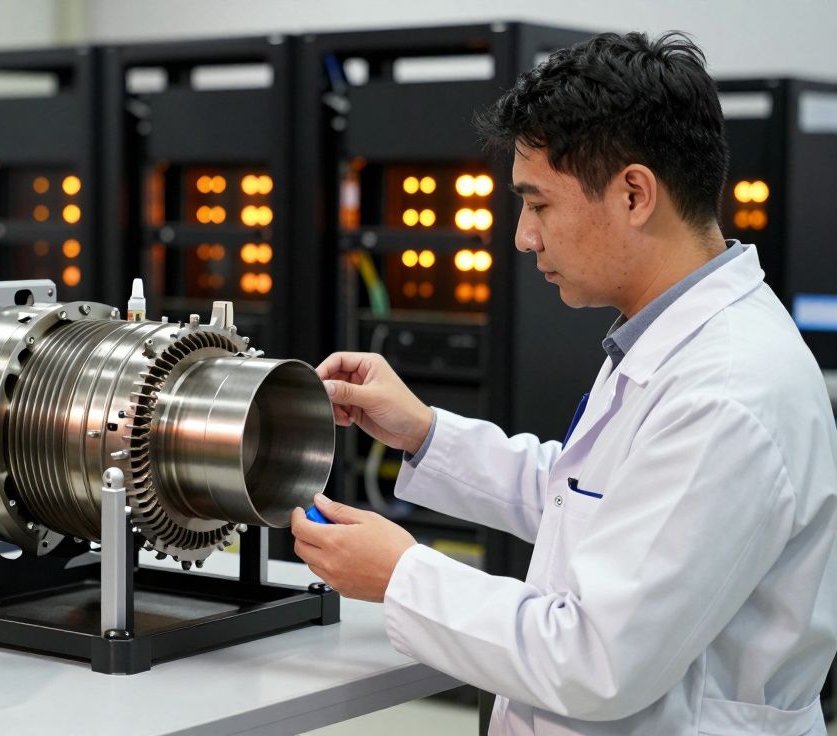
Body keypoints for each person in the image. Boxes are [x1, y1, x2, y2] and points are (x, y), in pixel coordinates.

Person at [292, 31, 837, 735]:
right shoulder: (668, 341)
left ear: (634, 194)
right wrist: (425, 433)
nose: (523, 236)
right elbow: (592, 501)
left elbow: (595, 663)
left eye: (540, 204)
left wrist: (402, 574)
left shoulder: (727, 392)